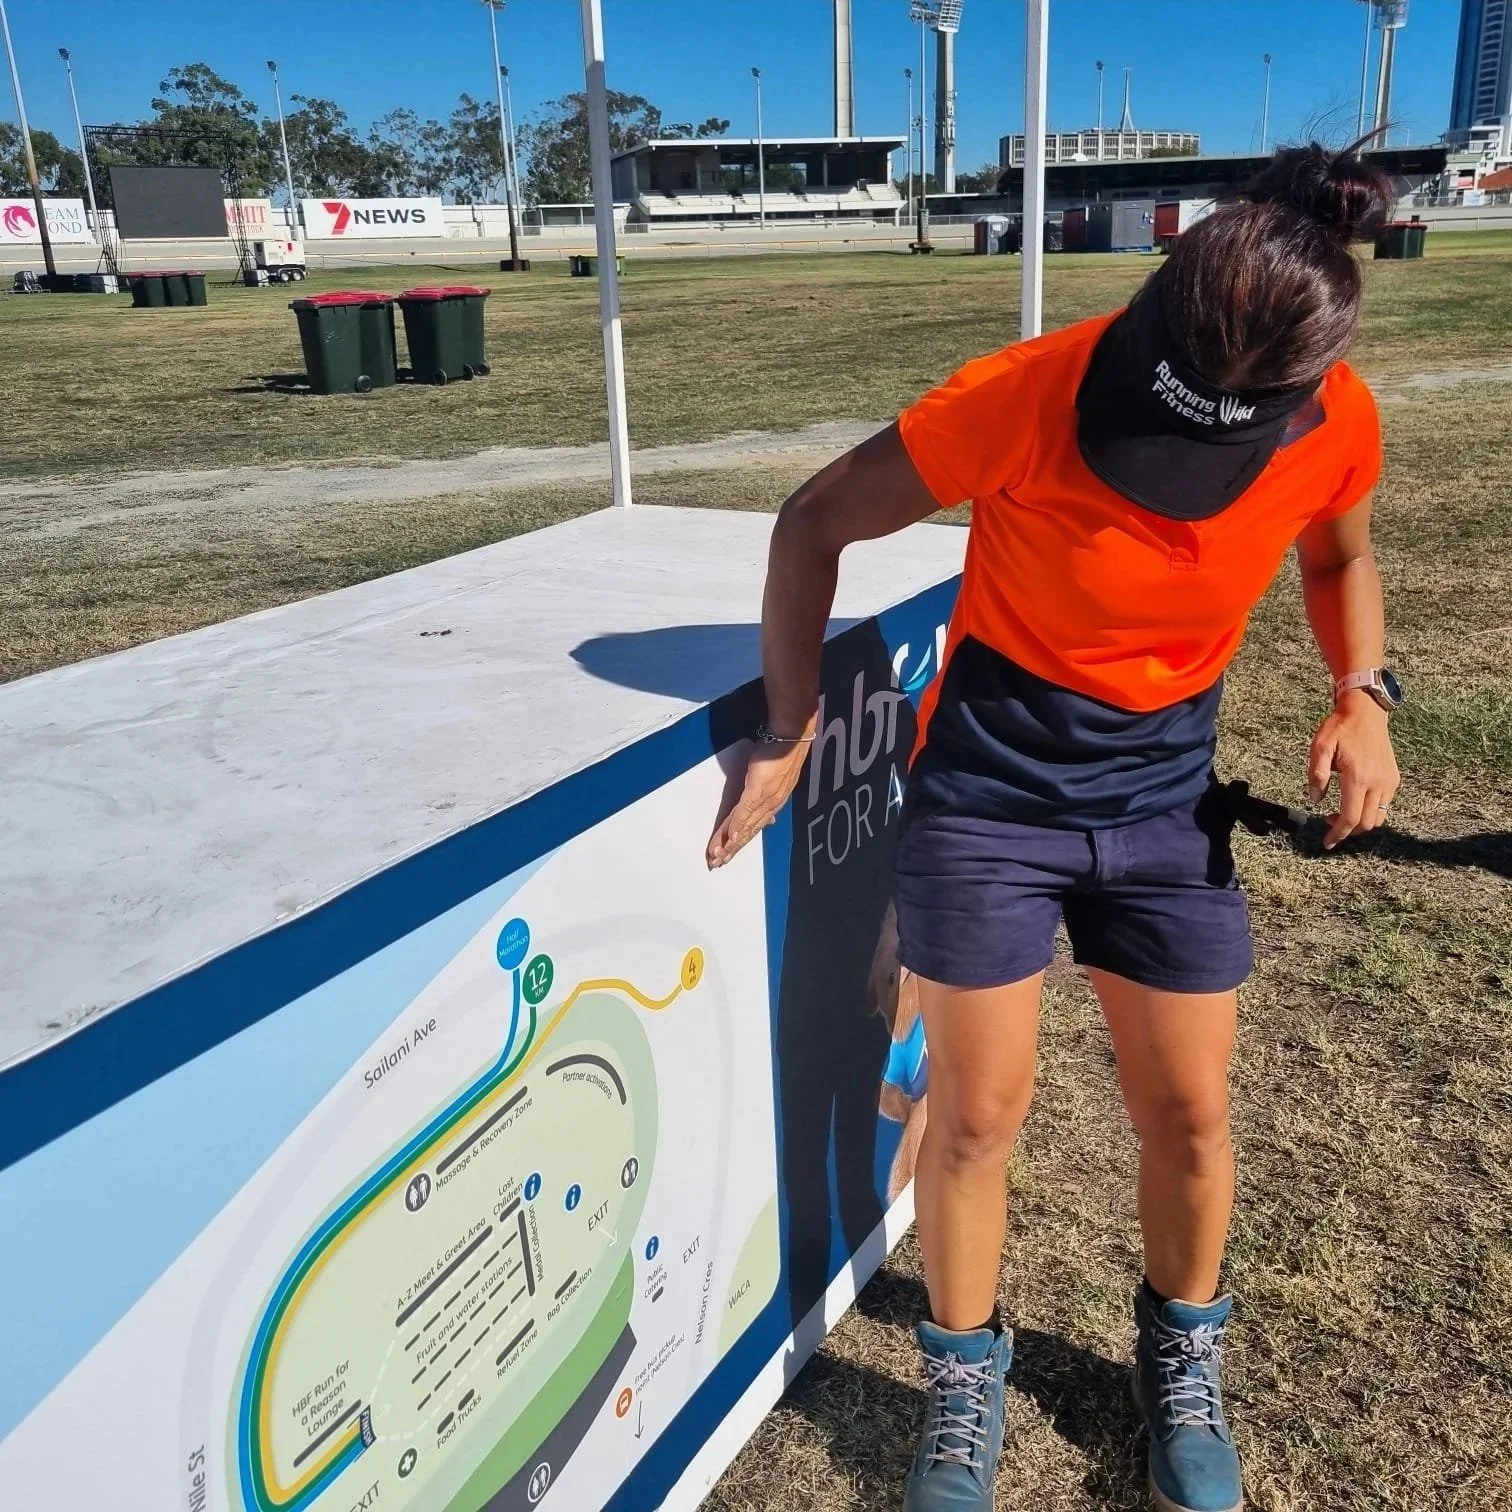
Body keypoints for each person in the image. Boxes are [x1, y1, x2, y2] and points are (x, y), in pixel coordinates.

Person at [706, 141, 1403, 1512]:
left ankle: (1179, 1358)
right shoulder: (1027, 395)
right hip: (989, 801)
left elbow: (1341, 552)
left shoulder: (1337, 423)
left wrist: (1362, 688)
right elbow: (812, 523)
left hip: (1163, 802)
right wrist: (789, 727)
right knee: (976, 1119)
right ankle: (965, 1380)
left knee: (1191, 1112)